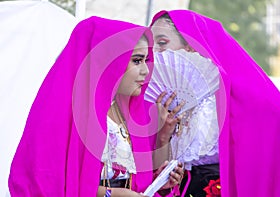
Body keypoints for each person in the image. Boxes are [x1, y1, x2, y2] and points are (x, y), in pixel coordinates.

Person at [8, 16, 183, 197]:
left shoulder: (131, 115)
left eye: (146, 60)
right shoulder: (62, 115)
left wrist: (160, 182)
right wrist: (110, 194)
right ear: (106, 60)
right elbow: (48, 183)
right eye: (137, 61)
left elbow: (133, 183)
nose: (146, 71)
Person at [150, 10, 280, 197]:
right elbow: (157, 179)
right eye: (151, 45)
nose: (155, 51)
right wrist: (162, 136)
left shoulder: (236, 97)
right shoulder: (159, 99)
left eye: (162, 43)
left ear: (191, 45)